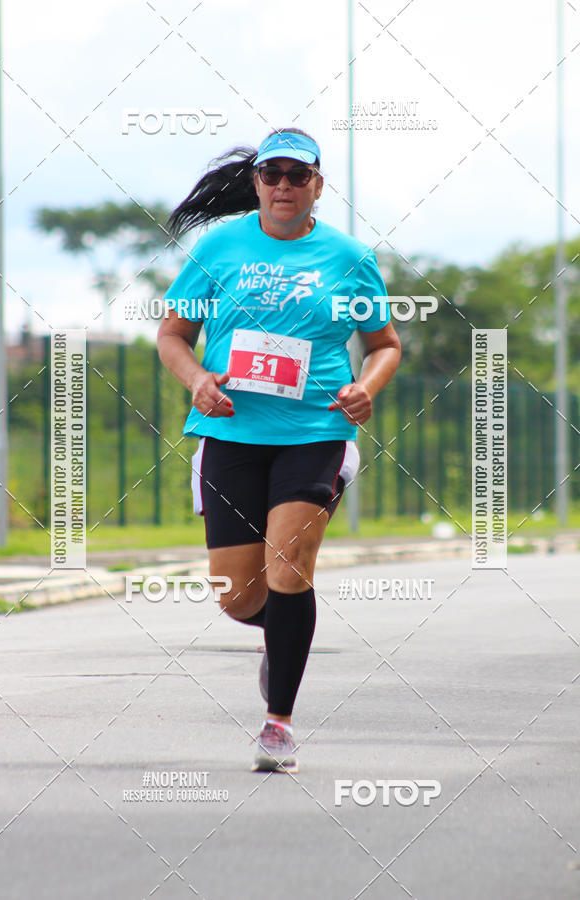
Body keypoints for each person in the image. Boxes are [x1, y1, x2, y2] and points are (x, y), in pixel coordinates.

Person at [157, 128, 401, 774]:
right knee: (239, 596)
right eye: (273, 176)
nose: (285, 187)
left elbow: (384, 345)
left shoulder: (348, 258)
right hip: (232, 434)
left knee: (289, 566)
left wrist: (364, 389)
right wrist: (198, 381)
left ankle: (278, 724)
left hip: (313, 433)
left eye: (299, 176)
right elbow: (174, 334)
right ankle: (282, 631)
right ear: (257, 183)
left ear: (318, 184)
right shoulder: (221, 248)